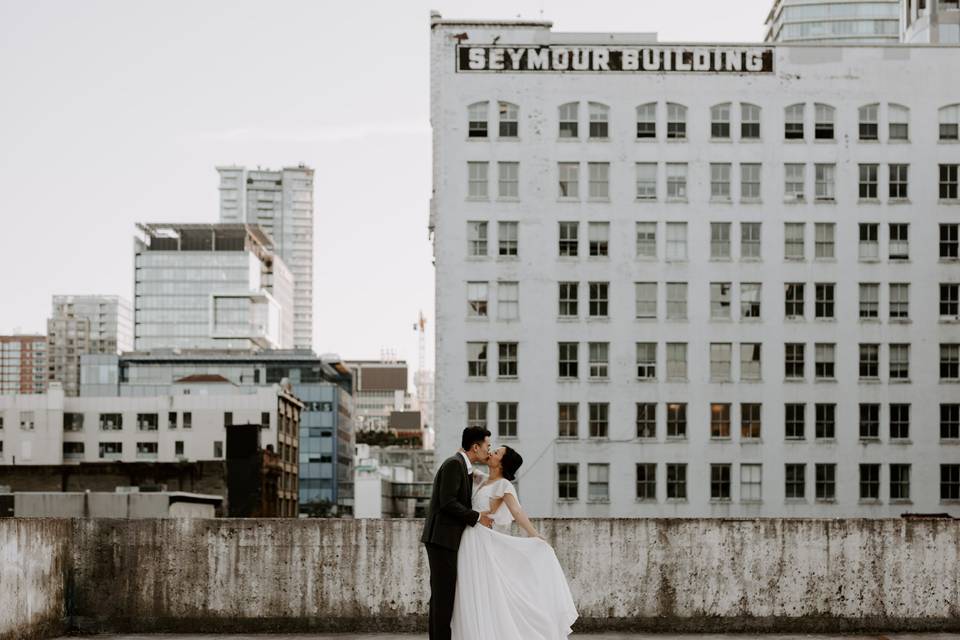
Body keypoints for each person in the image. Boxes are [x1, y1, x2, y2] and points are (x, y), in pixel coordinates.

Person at [451, 445, 579, 639]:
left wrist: (534, 534)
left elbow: (517, 512)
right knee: (470, 590)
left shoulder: (504, 485)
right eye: (492, 449)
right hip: (468, 539)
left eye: (496, 453)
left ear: (502, 463)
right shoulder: (481, 479)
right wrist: (468, 447)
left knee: (487, 590)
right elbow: (464, 462)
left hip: (482, 541)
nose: (491, 452)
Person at [420, 426, 493, 640]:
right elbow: (448, 502)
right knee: (444, 596)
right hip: (441, 539)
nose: (489, 450)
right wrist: (478, 517)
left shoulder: (463, 465)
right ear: (475, 446)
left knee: (443, 596)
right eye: (487, 445)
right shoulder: (454, 464)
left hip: (445, 539)